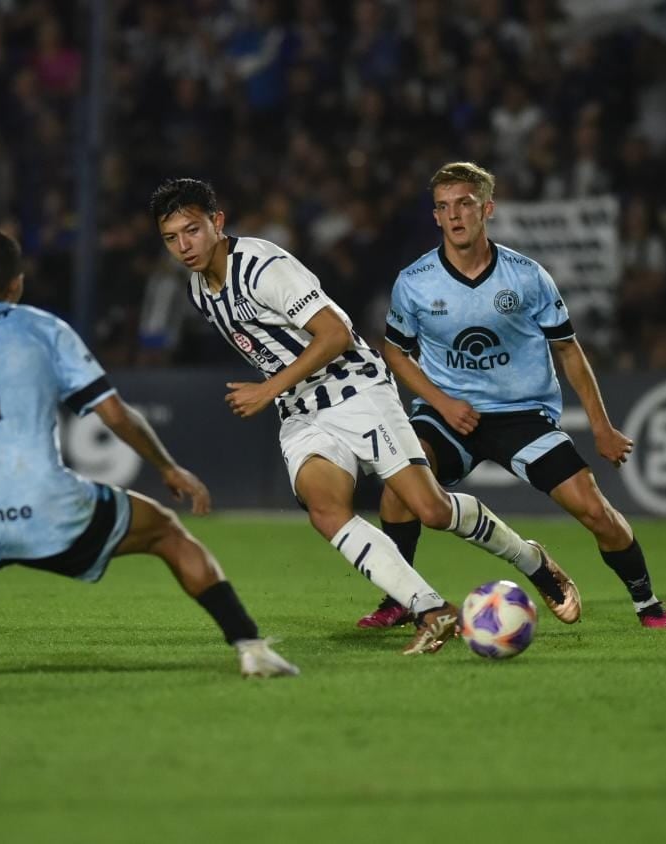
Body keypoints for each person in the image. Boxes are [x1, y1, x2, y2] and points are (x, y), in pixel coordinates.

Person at [150, 178, 579, 657]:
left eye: (192, 230)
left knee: (432, 511)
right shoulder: (198, 289)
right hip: (301, 409)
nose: (183, 246)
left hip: (355, 389)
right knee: (324, 508)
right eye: (171, 238)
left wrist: (268, 388)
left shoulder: (263, 266)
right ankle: (431, 611)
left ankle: (531, 558)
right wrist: (280, 390)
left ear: (217, 222)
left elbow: (334, 333)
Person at [0, 229, 298, 679]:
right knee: (167, 533)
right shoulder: (41, 328)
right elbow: (112, 413)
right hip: (46, 504)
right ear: (17, 283)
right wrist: (167, 467)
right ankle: (252, 648)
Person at [375, 161, 666, 630]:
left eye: (465, 204)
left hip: (523, 416)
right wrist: (441, 402)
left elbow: (569, 352)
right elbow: (395, 353)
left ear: (487, 209)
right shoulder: (414, 281)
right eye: (443, 207)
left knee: (593, 509)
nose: (454, 216)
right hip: (448, 416)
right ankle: (397, 599)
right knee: (402, 485)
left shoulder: (526, 276)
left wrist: (601, 426)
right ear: (435, 216)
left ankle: (648, 603)